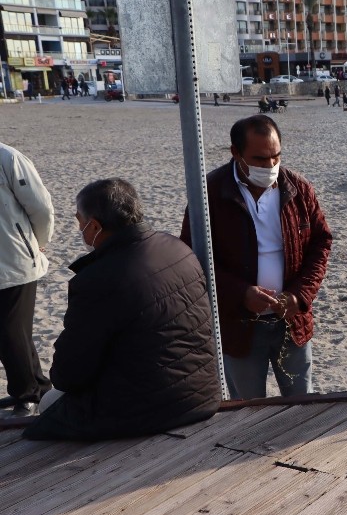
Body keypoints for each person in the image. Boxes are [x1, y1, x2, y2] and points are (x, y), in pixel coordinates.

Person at [23, 179, 222, 440]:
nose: (80, 227)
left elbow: (68, 376)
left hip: (150, 409)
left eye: (79, 220)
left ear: (94, 225)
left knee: (50, 403)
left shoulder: (97, 280)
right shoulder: (179, 249)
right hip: (203, 394)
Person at [181, 115, 332, 399]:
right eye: (260, 159)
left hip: (292, 323)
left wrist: (300, 295)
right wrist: (241, 294)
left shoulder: (298, 188)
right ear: (235, 153)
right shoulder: (209, 194)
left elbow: (321, 243)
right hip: (239, 328)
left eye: (276, 156)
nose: (271, 166)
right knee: (246, 410)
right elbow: (193, 257)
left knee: (302, 404)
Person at [0, 143, 54, 418]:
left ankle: (27, 394)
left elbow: (40, 207)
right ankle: (40, 387)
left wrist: (38, 244)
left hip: (14, 262)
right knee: (14, 333)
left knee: (10, 333)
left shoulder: (8, 157)